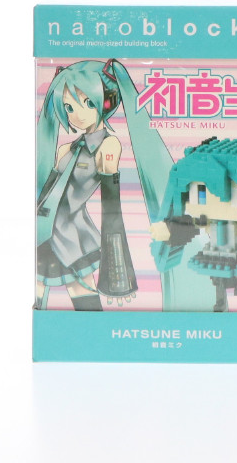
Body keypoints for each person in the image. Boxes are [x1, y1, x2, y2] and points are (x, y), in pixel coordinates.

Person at [35, 59, 173, 310]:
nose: (76, 115)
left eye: (87, 103)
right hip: (42, 231)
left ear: (107, 102)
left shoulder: (108, 146)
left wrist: (117, 269)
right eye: (68, 107)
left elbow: (112, 207)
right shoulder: (66, 149)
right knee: (39, 298)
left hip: (72, 239)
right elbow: (46, 196)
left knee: (82, 298)